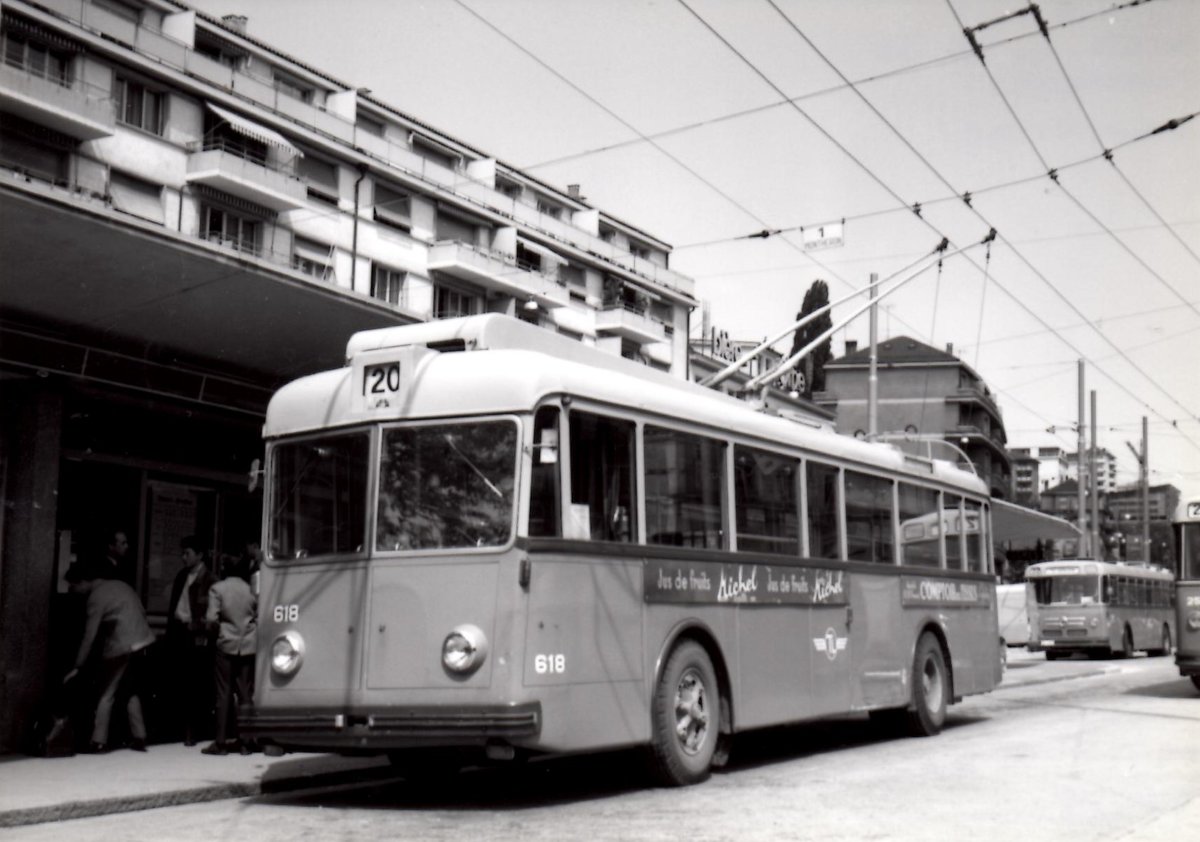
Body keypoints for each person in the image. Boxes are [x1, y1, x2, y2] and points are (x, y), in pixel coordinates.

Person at [63, 561, 155, 753]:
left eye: (73, 586)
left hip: (122, 644)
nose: (73, 590)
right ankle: (139, 736)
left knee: (106, 691)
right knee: (130, 689)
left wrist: (77, 666)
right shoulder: (121, 585)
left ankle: (98, 741)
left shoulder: (96, 598)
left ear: (83, 582)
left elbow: (89, 635)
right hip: (144, 640)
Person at [202, 554, 257, 755]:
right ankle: (246, 743)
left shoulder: (218, 589)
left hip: (226, 645)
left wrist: (214, 634)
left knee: (223, 693)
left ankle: (221, 742)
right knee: (245, 695)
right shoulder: (251, 589)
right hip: (249, 645)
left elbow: (211, 620)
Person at [167, 535, 215, 746]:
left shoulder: (210, 580)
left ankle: (194, 730)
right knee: (181, 682)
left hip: (197, 636)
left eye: (187, 553)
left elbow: (210, 614)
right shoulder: (181, 576)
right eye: (183, 553)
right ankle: (181, 728)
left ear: (200, 555)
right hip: (180, 632)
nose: (183, 557)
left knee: (196, 684)